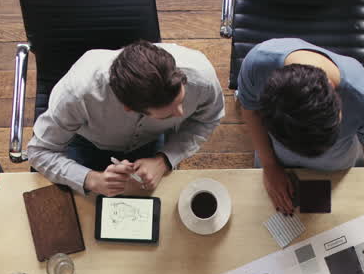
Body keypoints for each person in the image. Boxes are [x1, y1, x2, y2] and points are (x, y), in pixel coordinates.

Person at [237, 38, 364, 252]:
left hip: (338, 163)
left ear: (335, 95)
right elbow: (249, 110)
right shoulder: (257, 65)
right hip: (275, 158)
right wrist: (270, 165)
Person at [26, 40, 225, 197]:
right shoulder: (77, 94)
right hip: (86, 143)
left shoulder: (202, 78)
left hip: (152, 144)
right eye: (169, 114)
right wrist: (90, 179)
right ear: (130, 108)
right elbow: (39, 151)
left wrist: (164, 159)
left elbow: (206, 119)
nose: (181, 114)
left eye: (181, 101)